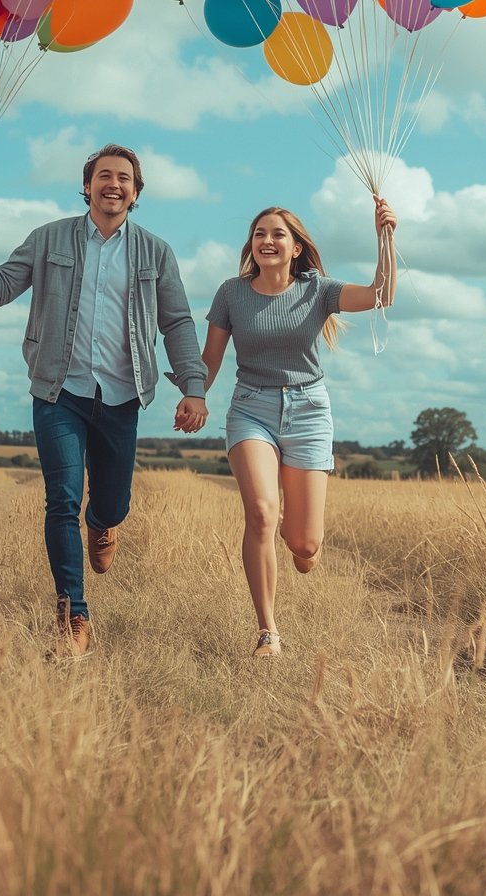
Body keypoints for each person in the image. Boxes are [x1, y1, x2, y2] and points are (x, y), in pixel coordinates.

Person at [0, 144, 208, 657]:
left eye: (124, 178)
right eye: (104, 176)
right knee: (62, 499)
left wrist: (193, 386)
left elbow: (176, 322)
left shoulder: (156, 252)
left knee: (110, 502)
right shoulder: (49, 238)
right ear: (87, 186)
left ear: (136, 192)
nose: (114, 184)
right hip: (59, 391)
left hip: (122, 395)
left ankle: (104, 525)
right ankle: (73, 617)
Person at [179, 196, 396, 658]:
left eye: (278, 234)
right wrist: (195, 394)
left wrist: (385, 237)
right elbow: (211, 359)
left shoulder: (318, 290)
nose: (267, 240)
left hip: (309, 412)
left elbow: (382, 294)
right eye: (260, 234)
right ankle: (267, 633)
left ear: (297, 247)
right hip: (251, 408)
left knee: (304, 542)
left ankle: (300, 546)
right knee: (260, 511)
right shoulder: (230, 293)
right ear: (251, 245)